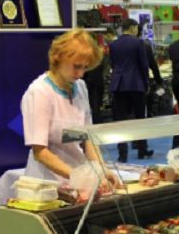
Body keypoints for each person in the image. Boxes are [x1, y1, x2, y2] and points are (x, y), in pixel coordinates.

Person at [20, 29, 118, 187]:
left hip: (78, 178)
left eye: (85, 67)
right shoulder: (39, 92)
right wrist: (77, 177)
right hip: (47, 184)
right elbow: (40, 152)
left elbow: (88, 138)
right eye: (76, 66)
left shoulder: (81, 86)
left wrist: (101, 169)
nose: (81, 73)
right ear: (58, 57)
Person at [109, 19, 152, 162]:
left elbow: (113, 64)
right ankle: (142, 149)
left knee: (120, 121)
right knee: (139, 119)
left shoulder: (114, 44)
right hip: (136, 84)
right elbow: (144, 65)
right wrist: (146, 84)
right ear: (133, 28)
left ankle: (122, 154)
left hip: (119, 85)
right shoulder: (138, 43)